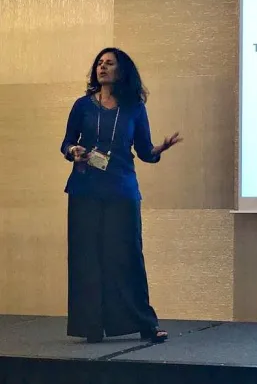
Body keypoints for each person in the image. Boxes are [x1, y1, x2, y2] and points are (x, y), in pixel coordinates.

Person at [60, 47, 182, 344]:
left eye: (109, 63)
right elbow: (66, 144)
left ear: (121, 70)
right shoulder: (82, 106)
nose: (102, 67)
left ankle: (145, 324)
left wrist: (159, 150)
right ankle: (92, 325)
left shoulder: (134, 108)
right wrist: (73, 151)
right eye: (99, 63)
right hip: (85, 189)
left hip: (122, 190)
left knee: (126, 257)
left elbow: (144, 151)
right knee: (87, 258)